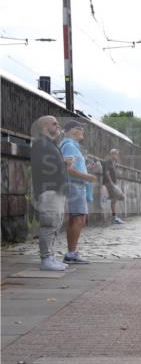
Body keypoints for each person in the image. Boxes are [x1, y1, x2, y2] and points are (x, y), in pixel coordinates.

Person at [30, 116, 69, 271]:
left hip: (56, 191)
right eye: (54, 123)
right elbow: (42, 168)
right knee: (49, 225)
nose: (58, 125)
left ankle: (50, 257)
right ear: (45, 127)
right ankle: (46, 259)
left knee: (55, 225)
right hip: (49, 191)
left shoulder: (51, 144)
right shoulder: (41, 144)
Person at [60, 120, 98, 264]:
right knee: (78, 219)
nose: (81, 130)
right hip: (75, 186)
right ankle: (71, 253)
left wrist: (88, 168)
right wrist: (88, 176)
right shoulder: (69, 145)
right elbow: (68, 169)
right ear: (68, 131)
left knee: (76, 218)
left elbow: (73, 166)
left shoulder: (72, 146)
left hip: (76, 186)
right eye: (77, 128)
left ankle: (71, 252)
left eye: (82, 128)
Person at [102, 148, 126, 223]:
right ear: (112, 154)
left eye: (117, 154)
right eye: (115, 154)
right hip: (109, 183)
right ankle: (114, 218)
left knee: (115, 200)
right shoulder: (108, 162)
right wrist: (112, 183)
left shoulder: (113, 163)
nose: (117, 156)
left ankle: (114, 217)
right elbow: (107, 173)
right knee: (119, 197)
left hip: (112, 184)